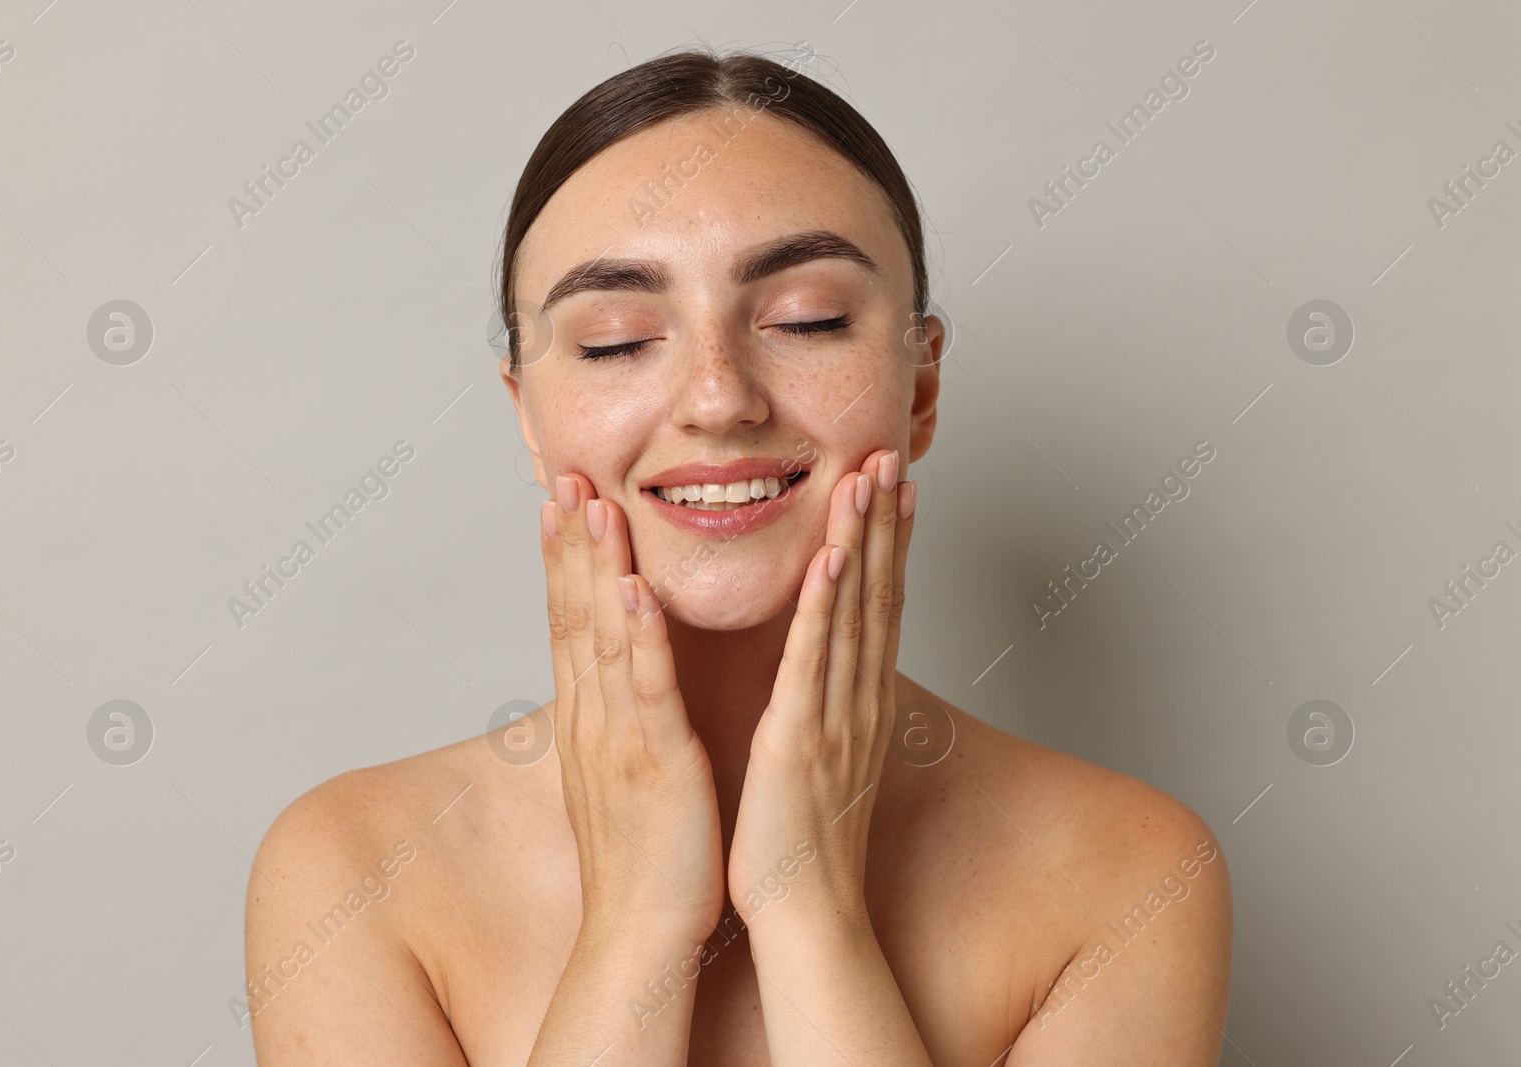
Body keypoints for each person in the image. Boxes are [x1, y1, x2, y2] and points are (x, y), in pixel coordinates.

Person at [244, 45, 1233, 1065]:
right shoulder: (352, 868)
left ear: (922, 385)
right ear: (528, 417)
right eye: (618, 340)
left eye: (808, 319)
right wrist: (632, 927)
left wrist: (809, 910)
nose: (719, 399)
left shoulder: (1127, 868)